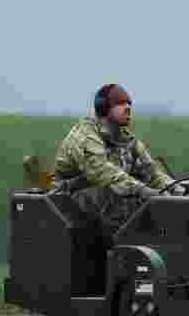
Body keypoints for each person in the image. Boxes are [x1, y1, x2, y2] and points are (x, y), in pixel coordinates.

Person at [53, 83, 177, 238]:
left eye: (128, 103)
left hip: (100, 200)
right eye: (119, 103)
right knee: (118, 195)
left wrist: (176, 191)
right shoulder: (85, 136)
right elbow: (104, 174)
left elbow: (152, 173)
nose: (127, 108)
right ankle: (120, 248)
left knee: (140, 196)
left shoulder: (126, 139)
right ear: (104, 108)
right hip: (68, 202)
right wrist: (144, 191)